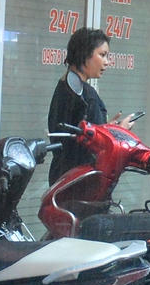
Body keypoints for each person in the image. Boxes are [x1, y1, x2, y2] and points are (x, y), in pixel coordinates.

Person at [47, 28, 114, 182]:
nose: (107, 62)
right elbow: (95, 143)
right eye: (102, 55)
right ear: (85, 53)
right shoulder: (85, 94)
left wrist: (107, 127)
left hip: (62, 175)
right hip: (81, 179)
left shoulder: (65, 86)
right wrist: (120, 130)